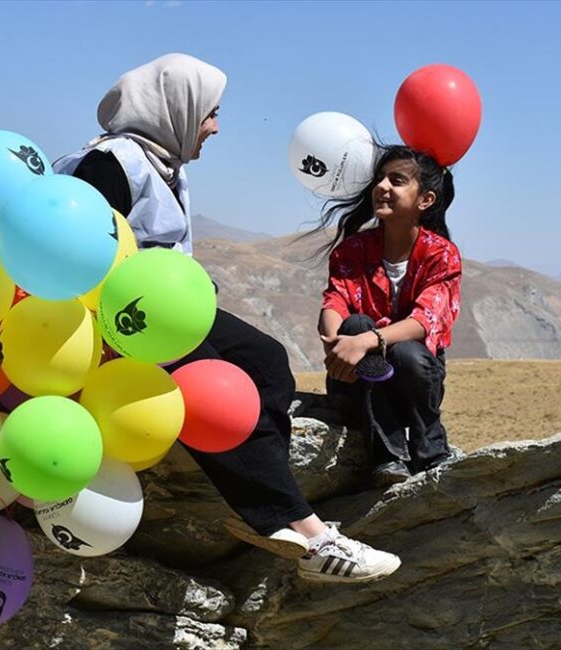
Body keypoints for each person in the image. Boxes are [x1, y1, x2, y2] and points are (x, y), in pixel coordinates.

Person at [52, 53, 400, 583]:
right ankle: (303, 532)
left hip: (164, 308)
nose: (215, 126)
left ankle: (267, 490)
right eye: (209, 113)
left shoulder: (164, 162)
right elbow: (84, 260)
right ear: (176, 108)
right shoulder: (112, 163)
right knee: (215, 391)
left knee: (267, 361)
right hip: (125, 323)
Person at [313, 144, 461, 487]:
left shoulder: (442, 255)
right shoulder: (353, 250)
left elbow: (426, 321)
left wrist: (364, 341)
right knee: (354, 323)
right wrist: (338, 346)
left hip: (414, 378)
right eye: (380, 179)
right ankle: (388, 457)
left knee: (406, 349)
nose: (382, 186)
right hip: (356, 379)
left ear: (424, 200)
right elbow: (335, 300)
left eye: (396, 180)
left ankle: (430, 449)